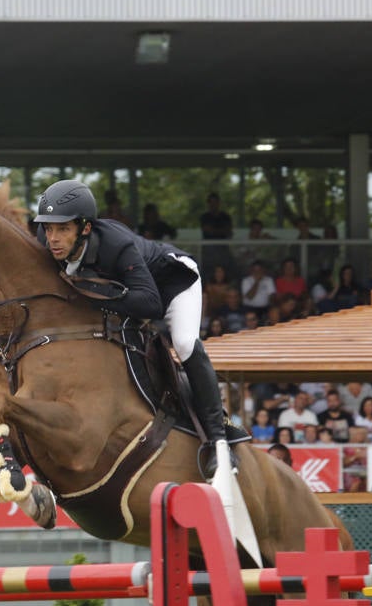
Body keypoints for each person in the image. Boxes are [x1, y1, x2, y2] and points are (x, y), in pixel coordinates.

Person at [34, 179, 228, 453]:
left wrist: (87, 291)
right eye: (48, 228)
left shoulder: (115, 244)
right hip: (129, 293)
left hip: (171, 283)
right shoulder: (47, 243)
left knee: (184, 343)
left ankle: (219, 437)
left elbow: (151, 304)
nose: (52, 238)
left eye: (63, 229)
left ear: (85, 228)